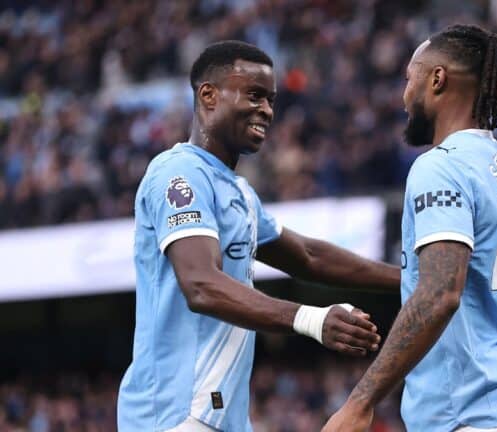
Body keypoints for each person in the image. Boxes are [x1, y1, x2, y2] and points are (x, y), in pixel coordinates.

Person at [117, 40, 400, 432]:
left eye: (270, 99)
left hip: (222, 418)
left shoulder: (238, 191)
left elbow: (308, 256)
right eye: (254, 95)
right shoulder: (178, 173)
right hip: (173, 413)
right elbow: (200, 285)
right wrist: (312, 319)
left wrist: (411, 278)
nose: (266, 110)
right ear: (208, 95)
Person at [323, 24, 497, 432]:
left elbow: (440, 294)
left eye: (410, 79)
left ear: (437, 79)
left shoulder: (440, 166)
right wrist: (492, 343)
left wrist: (359, 403)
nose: (404, 96)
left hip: (476, 415)